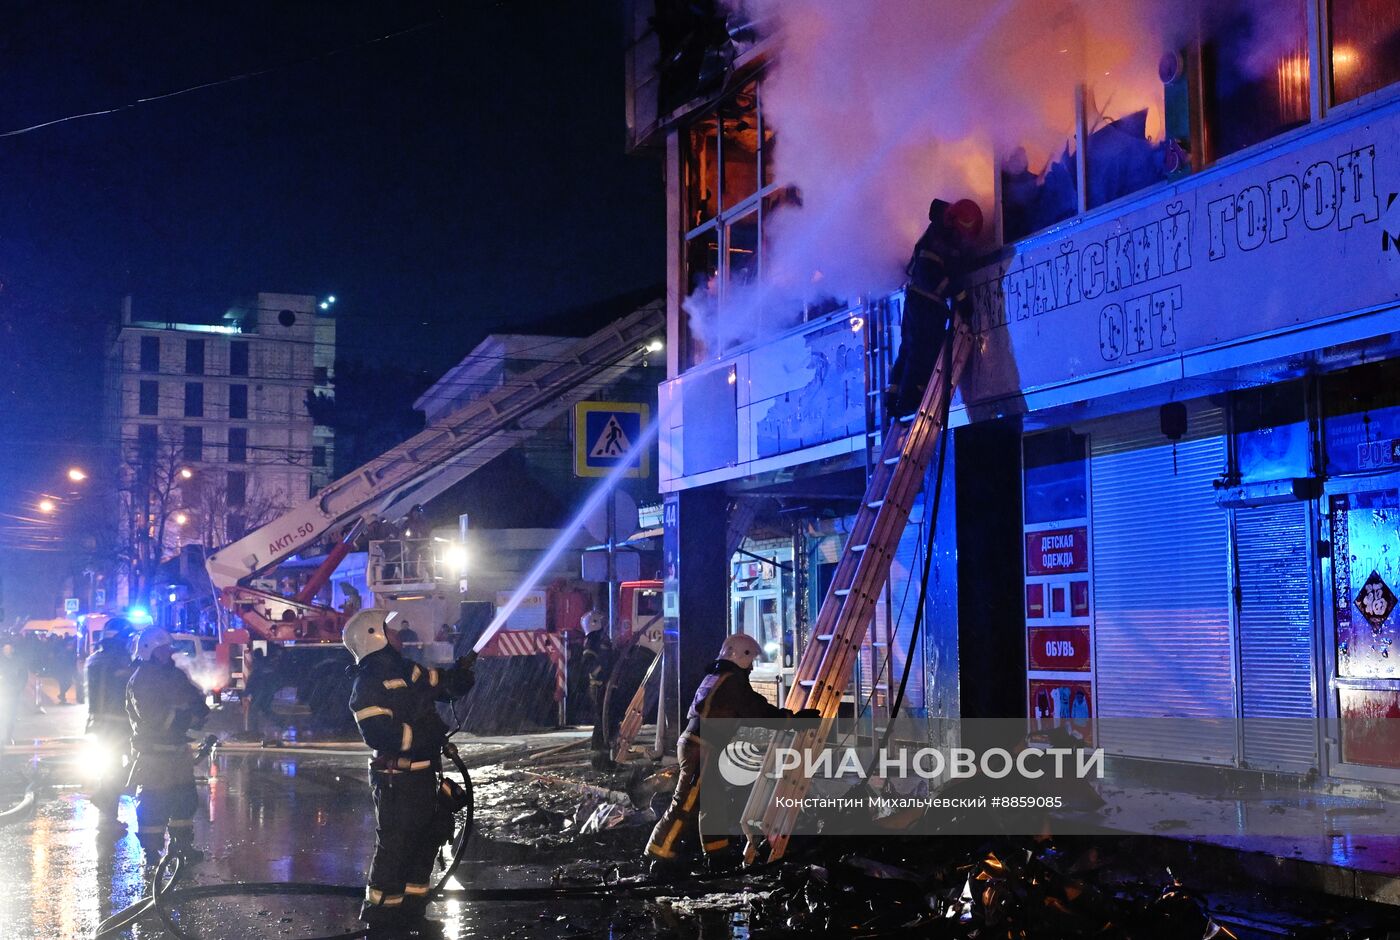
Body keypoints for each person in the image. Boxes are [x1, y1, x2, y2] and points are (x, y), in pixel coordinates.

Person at [343, 608, 476, 932]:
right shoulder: (369, 683)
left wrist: (458, 677)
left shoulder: (408, 670)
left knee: (426, 840)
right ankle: (382, 916)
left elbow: (438, 686)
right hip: (396, 779)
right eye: (388, 628)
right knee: (396, 846)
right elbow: (378, 732)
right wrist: (423, 736)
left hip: (423, 774)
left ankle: (413, 908)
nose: (396, 632)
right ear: (374, 636)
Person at [643, 633, 821, 874]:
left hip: (701, 744)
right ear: (741, 657)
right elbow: (756, 710)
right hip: (702, 747)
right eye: (751, 661)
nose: (752, 666)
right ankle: (659, 854)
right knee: (686, 803)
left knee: (713, 802)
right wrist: (793, 719)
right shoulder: (732, 681)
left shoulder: (717, 676)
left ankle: (717, 854)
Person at [885, 197, 983, 419]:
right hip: (926, 306)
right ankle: (911, 397)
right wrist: (961, 298)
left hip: (916, 301)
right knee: (922, 351)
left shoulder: (935, 234)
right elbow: (938, 278)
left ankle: (894, 397)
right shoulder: (940, 242)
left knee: (909, 349)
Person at [126, 627, 210, 865]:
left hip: (177, 753)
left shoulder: (174, 675)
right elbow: (153, 717)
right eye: (162, 650)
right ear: (149, 651)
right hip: (154, 756)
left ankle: (182, 846)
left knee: (185, 800)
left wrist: (198, 708)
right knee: (154, 804)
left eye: (168, 650)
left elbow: (192, 698)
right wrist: (185, 717)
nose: (168, 654)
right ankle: (151, 853)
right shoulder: (141, 680)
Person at [85, 619, 136, 830]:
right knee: (128, 764)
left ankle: (107, 808)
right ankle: (104, 799)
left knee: (112, 767)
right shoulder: (118, 660)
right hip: (118, 723)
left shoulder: (96, 658)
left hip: (101, 724)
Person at [578, 610, 614, 770]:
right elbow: (588, 664)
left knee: (607, 722)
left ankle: (605, 758)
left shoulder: (597, 639)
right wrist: (603, 670)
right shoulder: (592, 641)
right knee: (602, 723)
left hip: (604, 686)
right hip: (599, 687)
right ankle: (601, 761)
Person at [0, 636, 30, 747]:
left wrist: (18, 688)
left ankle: (8, 736)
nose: (7, 651)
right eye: (5, 649)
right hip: (3, 691)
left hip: (13, 693)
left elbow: (23, 676)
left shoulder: (19, 661)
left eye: (8, 649)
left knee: (11, 716)